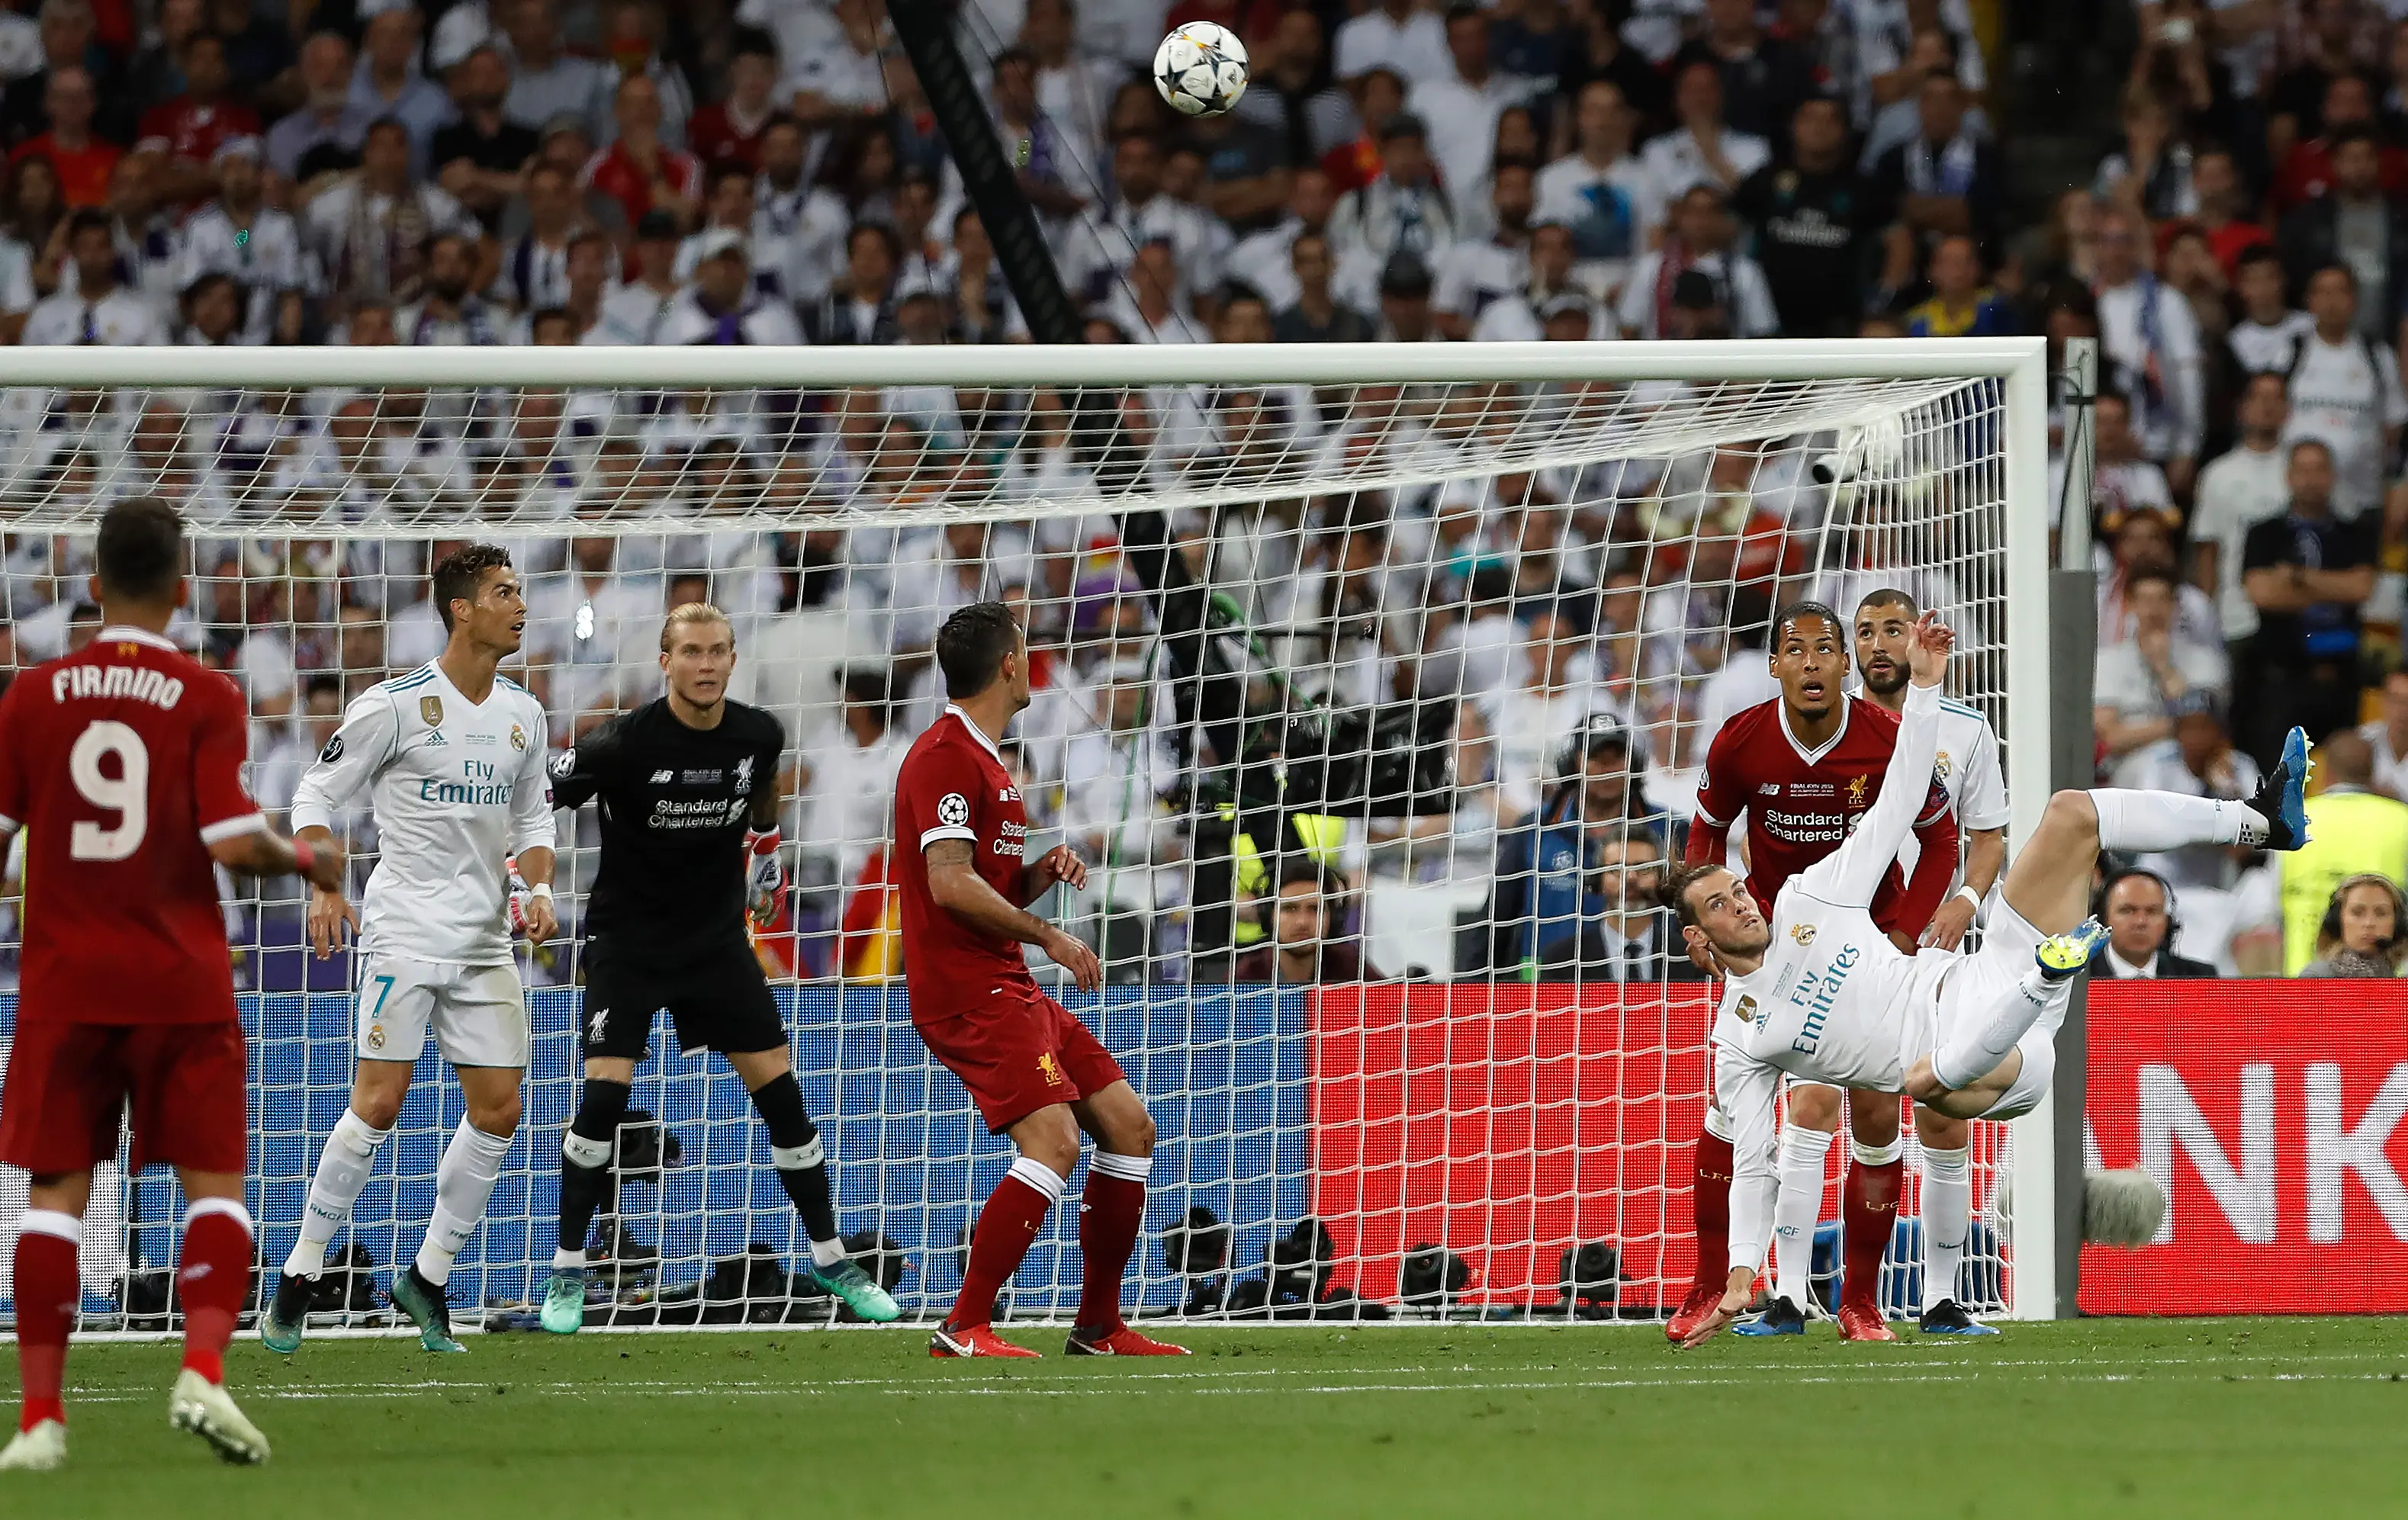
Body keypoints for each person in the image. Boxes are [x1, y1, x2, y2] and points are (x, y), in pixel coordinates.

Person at [1671, 616, 2313, 1348]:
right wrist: (1738, 1275)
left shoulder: (1808, 897)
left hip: (1980, 975)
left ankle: (2260, 820)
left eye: (1738, 885)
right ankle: (2042, 985)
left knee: (2073, 813)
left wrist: (1924, 684)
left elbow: (1901, 798)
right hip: (1993, 1065)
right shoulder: (1741, 1035)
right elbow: (1752, 1157)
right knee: (1923, 1080)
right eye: (1720, 901)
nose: (1743, 898)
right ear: (1698, 938)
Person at [0, 498, 346, 1472]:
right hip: (180, 980)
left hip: (66, 981)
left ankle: (38, 1423)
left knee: (55, 1193)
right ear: (185, 589)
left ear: (94, 584)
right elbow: (230, 840)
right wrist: (311, 862)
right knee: (214, 1186)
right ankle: (201, 1368)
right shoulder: (204, 694)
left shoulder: (30, 697)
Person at [536, 605, 898, 1333]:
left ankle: (830, 1256)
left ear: (733, 660)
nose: (704, 665)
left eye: (716, 652)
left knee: (785, 1100)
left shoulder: (757, 732)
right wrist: (530, 880)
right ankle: (568, 1270)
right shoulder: (620, 742)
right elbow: (537, 797)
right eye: (690, 652)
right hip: (627, 945)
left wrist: (766, 850)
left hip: (715, 945)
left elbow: (762, 788)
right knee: (602, 1104)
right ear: (664, 662)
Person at [262, 545, 558, 1357]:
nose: (518, 605)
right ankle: (300, 1270)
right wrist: (325, 885)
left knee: (500, 1109)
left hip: (484, 936)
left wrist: (539, 891)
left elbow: (534, 819)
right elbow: (315, 792)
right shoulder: (395, 705)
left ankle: (426, 1278)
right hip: (404, 928)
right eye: (503, 592)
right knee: (380, 1102)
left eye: (518, 590)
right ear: (461, 608)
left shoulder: (523, 715)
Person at [896, 602, 1184, 1359]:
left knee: (1128, 1125)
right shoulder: (943, 758)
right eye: (1028, 651)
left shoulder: (991, 759)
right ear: (1009, 666)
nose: (1035, 663)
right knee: (1054, 1141)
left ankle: (1097, 1326)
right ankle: (962, 1324)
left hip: (1005, 977)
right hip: (967, 988)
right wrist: (1049, 932)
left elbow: (982, 886)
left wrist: (1035, 878)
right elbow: (949, 886)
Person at [1673, 599, 1961, 1346]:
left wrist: (1902, 935)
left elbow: (1938, 840)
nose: (1809, 662)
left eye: (1824, 649)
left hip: (1865, 942)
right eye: (1793, 650)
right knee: (1737, 1107)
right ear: (1772, 664)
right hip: (1768, 944)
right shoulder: (1740, 743)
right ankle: (1715, 1284)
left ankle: (1859, 1303)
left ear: (1845, 664)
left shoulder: (1882, 738)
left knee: (1871, 1112)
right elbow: (1706, 830)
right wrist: (1701, 913)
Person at [1831, 586, 2011, 1336]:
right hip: (1849, 946)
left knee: (1941, 1113)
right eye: (1864, 632)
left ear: (1919, 640)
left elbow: (1989, 836)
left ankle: (1941, 1298)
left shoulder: (1967, 732)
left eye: (1892, 630)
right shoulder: (1826, 729)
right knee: (1844, 1109)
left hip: (1934, 944)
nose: (1878, 644)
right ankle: (1799, 1297)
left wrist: (1965, 902)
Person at [2240, 439, 2377, 769]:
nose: (2310, 479)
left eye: (2319, 470)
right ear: (2288, 476)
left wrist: (2298, 577)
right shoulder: (2265, 533)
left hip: (2340, 675)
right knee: (2277, 775)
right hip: (2283, 676)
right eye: (2302, 470)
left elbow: (2361, 589)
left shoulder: (2354, 532)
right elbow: (2263, 594)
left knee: (2339, 771)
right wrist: (2334, 585)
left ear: (2332, 477)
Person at [2278, 730, 2408, 974]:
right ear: (2373, 774)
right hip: (2395, 986)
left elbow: (2263, 908)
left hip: (2305, 981)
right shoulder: (2402, 820)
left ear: (2325, 773)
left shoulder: (2292, 821)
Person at [1233, 860, 1383, 982]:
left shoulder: (1353, 970)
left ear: (1333, 918)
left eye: (1315, 909)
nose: (1302, 922)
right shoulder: (1245, 977)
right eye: (1290, 909)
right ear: (1269, 915)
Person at [2299, 872, 2408, 976]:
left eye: (2381, 913)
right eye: (2357, 913)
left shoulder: (2399, 975)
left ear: (2398, 923)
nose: (2369, 923)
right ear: (2338, 921)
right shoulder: (2317, 978)